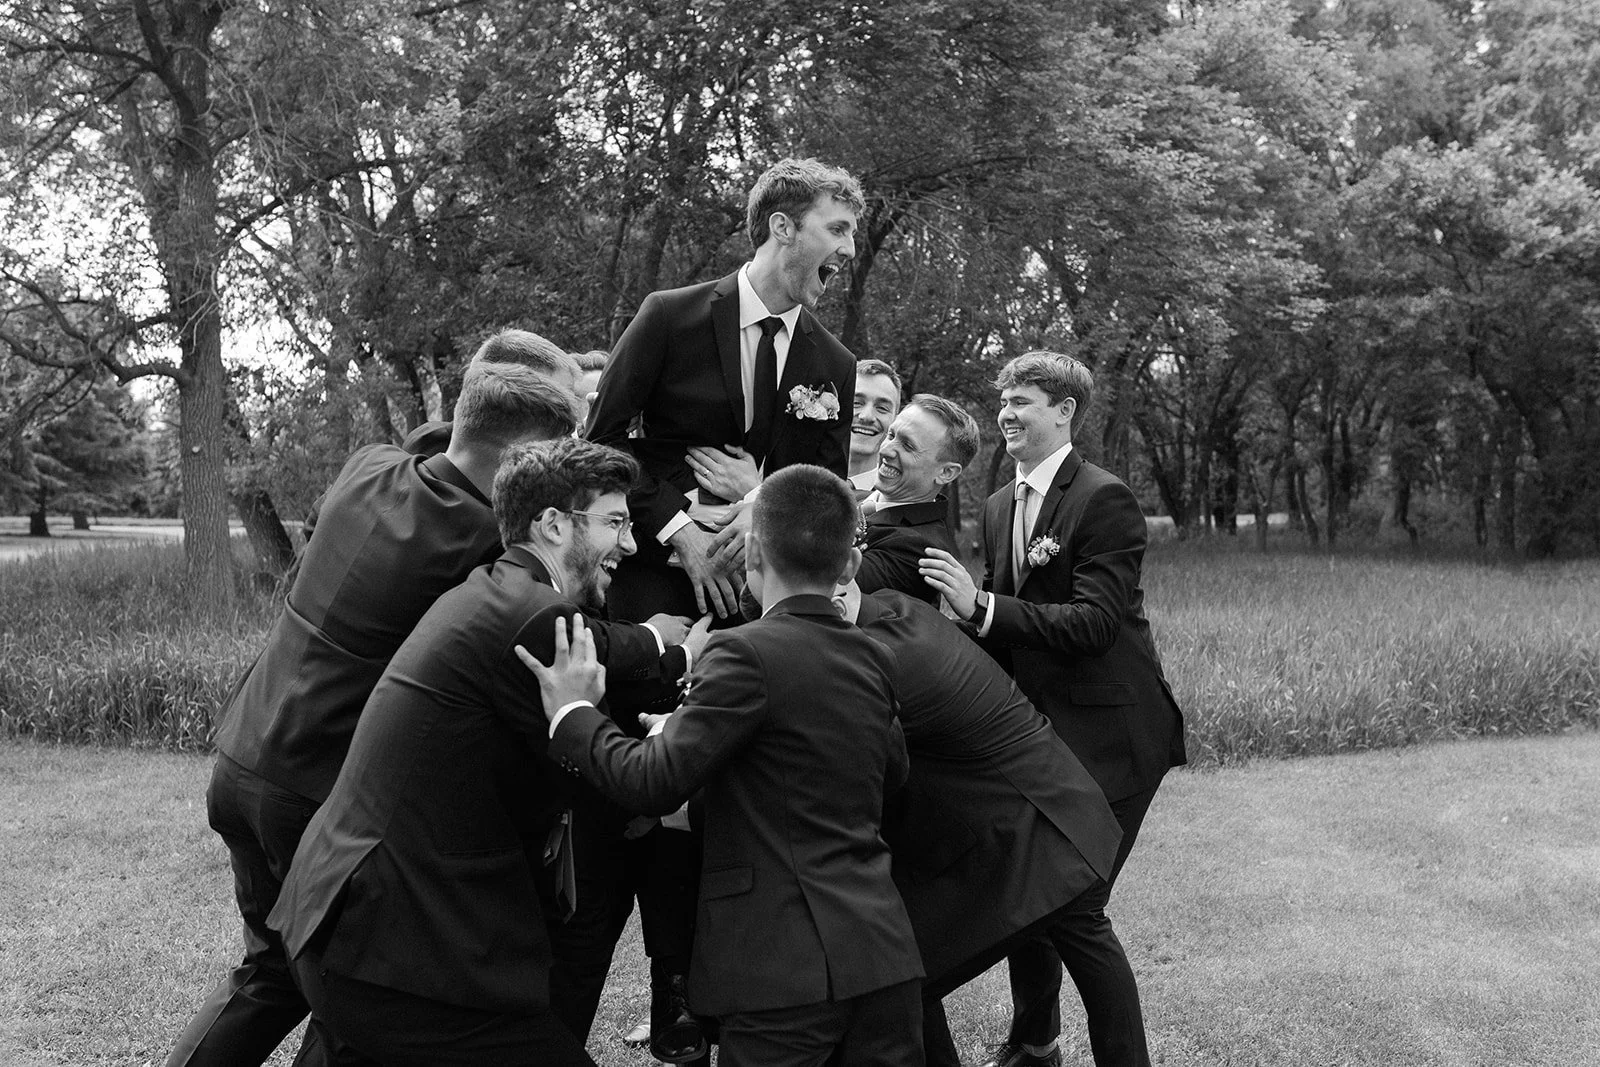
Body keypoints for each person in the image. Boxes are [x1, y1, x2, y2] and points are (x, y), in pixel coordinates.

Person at [171, 364, 689, 1067]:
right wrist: (667, 644)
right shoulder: (485, 546)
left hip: (248, 747)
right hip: (320, 785)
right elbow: (568, 633)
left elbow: (432, 451)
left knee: (274, 975)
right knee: (355, 975)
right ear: (532, 491)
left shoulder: (369, 469)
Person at [523, 464, 925, 1067]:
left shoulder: (744, 649)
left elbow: (653, 781)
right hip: (883, 955)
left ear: (754, 549)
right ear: (848, 564)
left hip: (782, 971)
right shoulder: (871, 655)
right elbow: (885, 773)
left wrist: (575, 713)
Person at [921, 351, 1187, 1067]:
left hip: (1118, 732)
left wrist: (981, 606)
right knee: (1035, 892)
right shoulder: (1001, 501)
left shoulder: (1103, 498)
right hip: (1044, 736)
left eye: (1024, 400)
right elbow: (997, 627)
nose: (1006, 411)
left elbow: (1093, 624)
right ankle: (1037, 1043)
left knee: (1072, 906)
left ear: (1065, 412)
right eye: (1003, 398)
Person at [834, 585, 1123, 1067]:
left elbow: (861, 765)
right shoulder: (894, 609)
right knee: (1085, 937)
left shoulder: (887, 656)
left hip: (1033, 823)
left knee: (903, 970)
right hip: (1031, 807)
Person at [588, 156, 864, 623]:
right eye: (838, 229)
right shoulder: (668, 317)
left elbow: (828, 495)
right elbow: (601, 443)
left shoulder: (835, 364)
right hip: (651, 580)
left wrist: (760, 503)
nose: (851, 248)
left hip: (760, 600)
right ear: (783, 227)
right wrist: (681, 533)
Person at [855, 393, 975, 604]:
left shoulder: (921, 550)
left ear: (946, 472)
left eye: (908, 446)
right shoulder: (853, 497)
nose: (885, 449)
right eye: (891, 435)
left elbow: (824, 580)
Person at [847, 358, 902, 494]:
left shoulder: (898, 502)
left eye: (882, 408)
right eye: (856, 403)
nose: (867, 416)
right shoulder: (797, 480)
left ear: (896, 420)